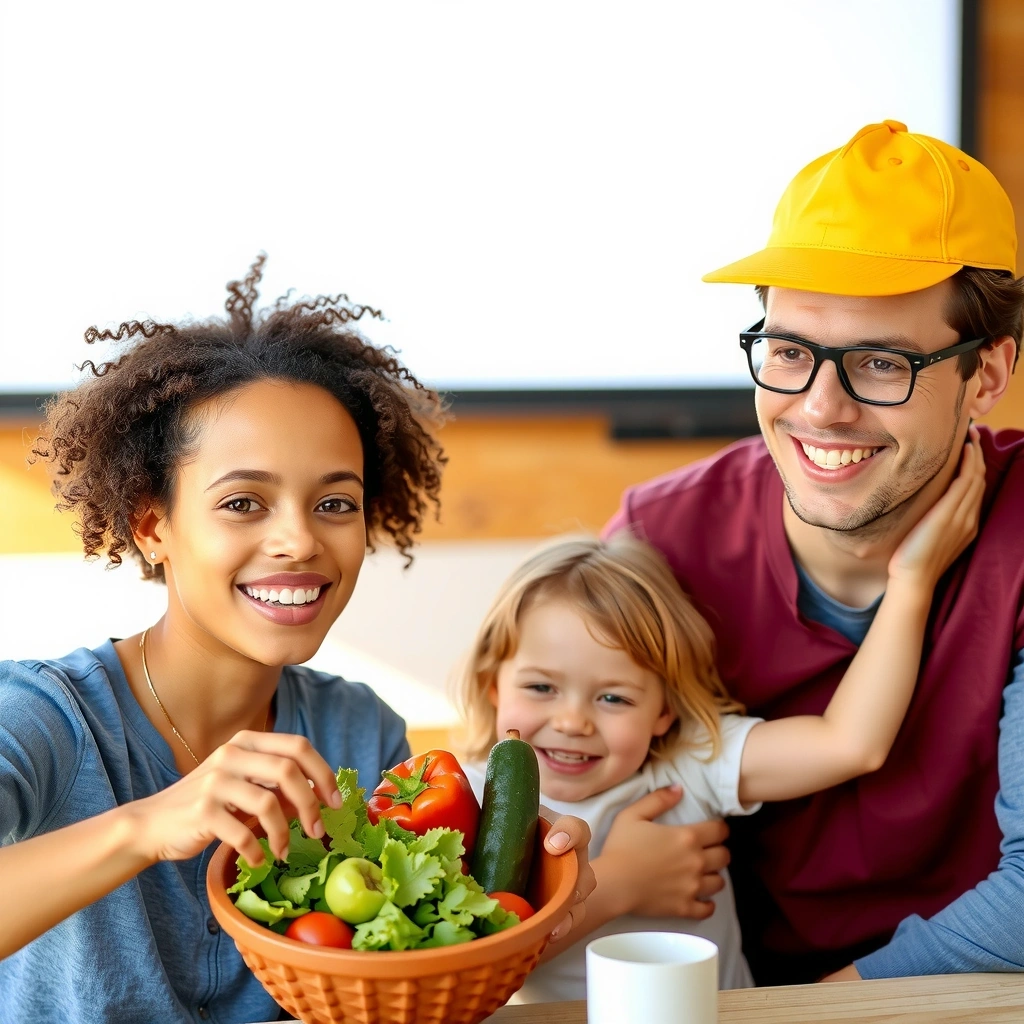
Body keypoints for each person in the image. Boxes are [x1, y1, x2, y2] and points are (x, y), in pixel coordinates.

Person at [0, 256, 594, 1024]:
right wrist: (146, 825)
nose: (299, 541)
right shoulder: (42, 718)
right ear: (153, 527)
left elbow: (387, 977)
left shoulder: (358, 732)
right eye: (244, 501)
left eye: (335, 503)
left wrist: (525, 910)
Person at [589, 119, 1024, 985]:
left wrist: (826, 1012)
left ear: (987, 375)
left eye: (879, 364)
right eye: (788, 352)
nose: (820, 409)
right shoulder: (658, 542)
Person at [454, 439, 983, 1003]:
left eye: (614, 699)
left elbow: (850, 744)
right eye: (540, 688)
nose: (572, 721)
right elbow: (478, 960)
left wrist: (912, 582)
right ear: (493, 684)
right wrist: (622, 883)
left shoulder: (688, 761)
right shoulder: (472, 799)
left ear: (665, 712)